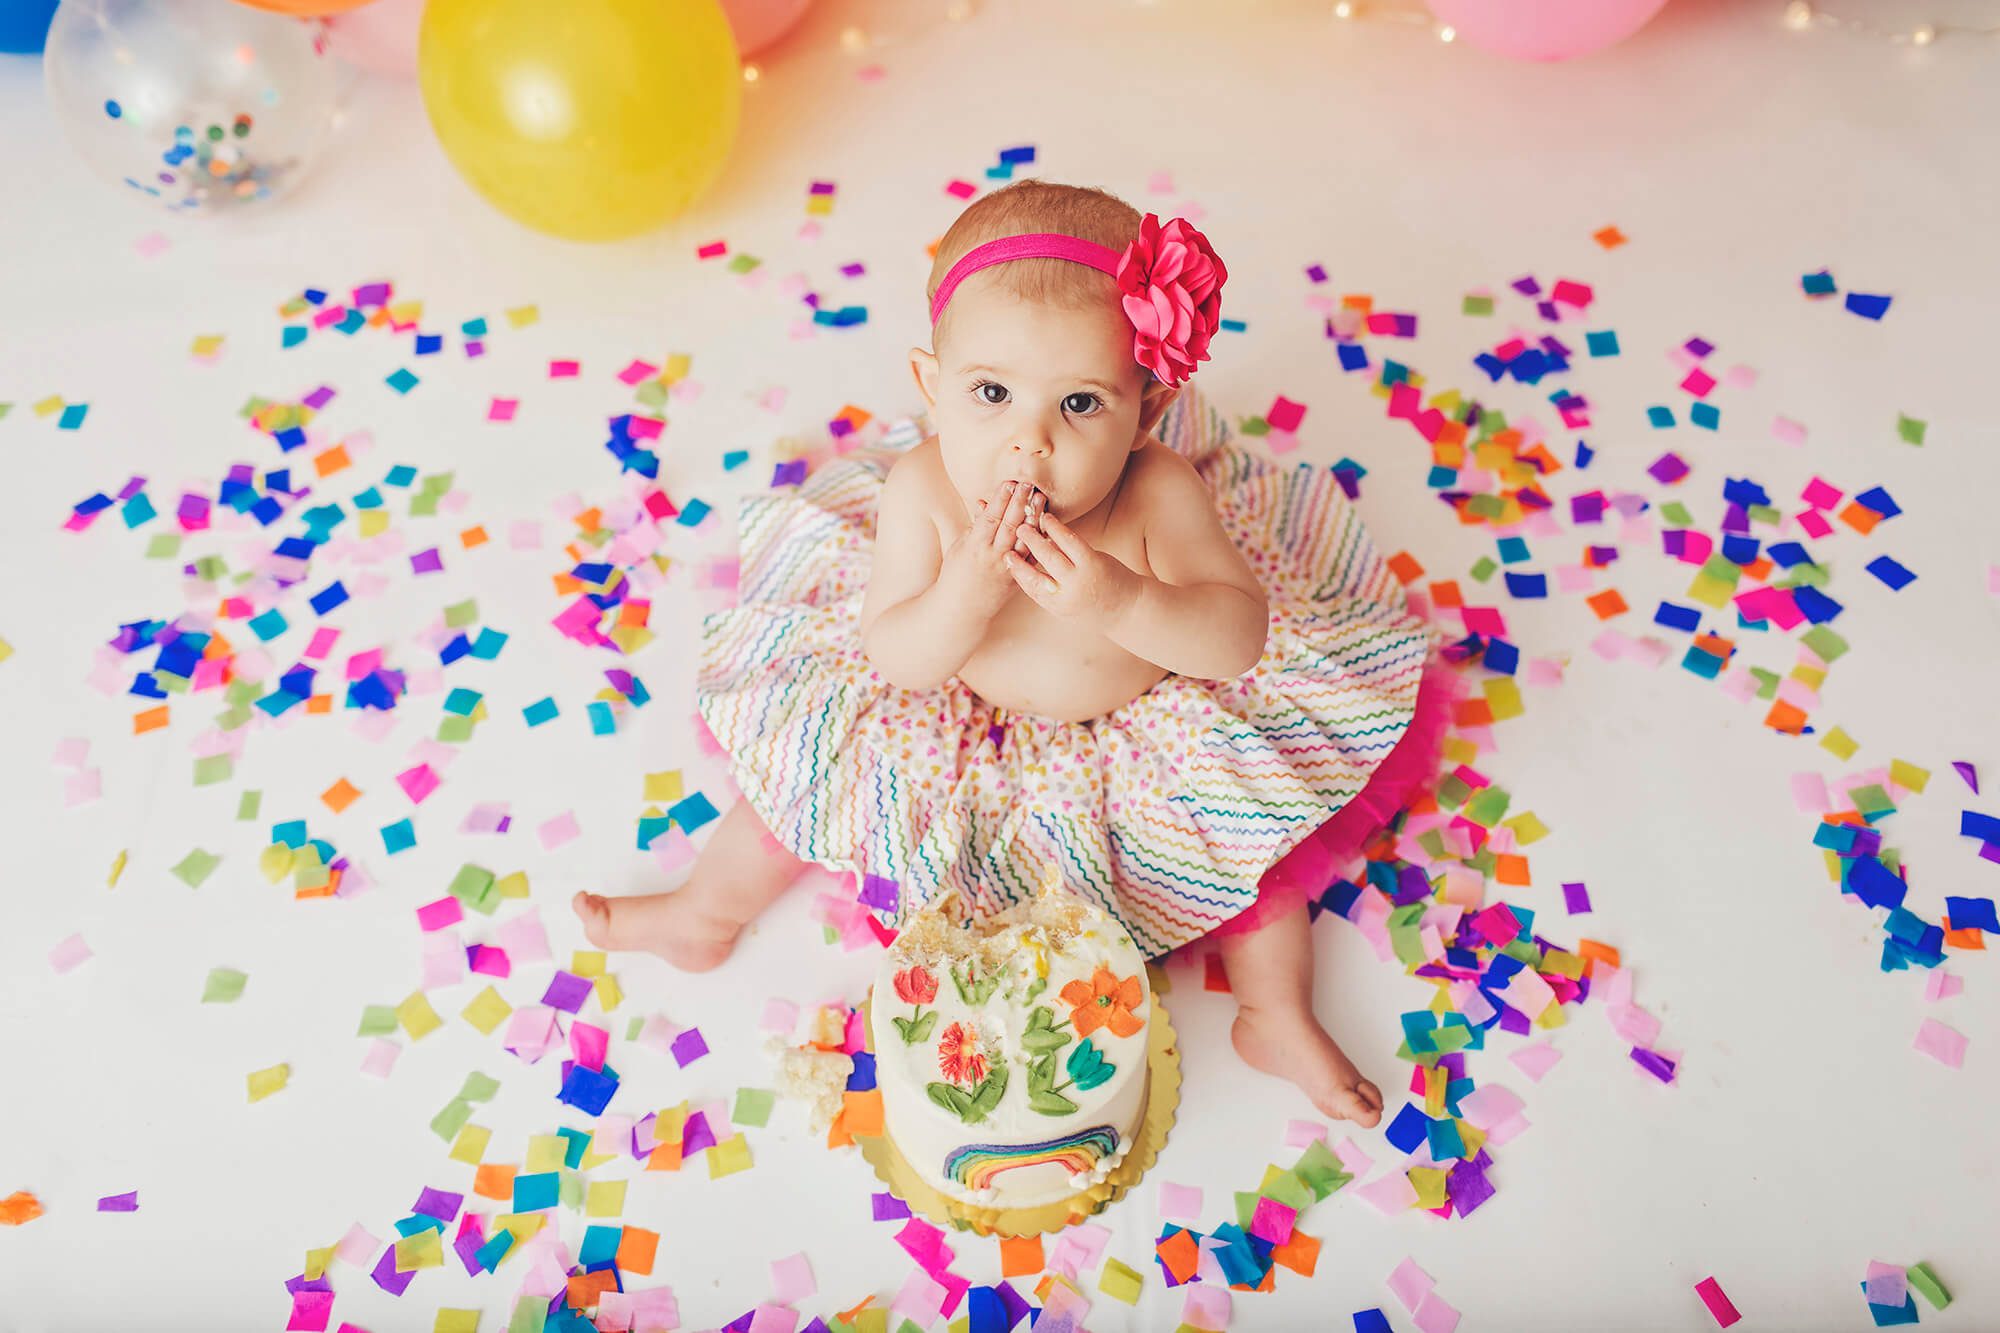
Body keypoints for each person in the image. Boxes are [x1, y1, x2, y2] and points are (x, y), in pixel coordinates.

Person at [576, 180, 1451, 1127]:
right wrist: (964, 593)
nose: (1027, 443)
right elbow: (897, 657)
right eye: (990, 394)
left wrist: (1119, 596)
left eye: (1081, 404)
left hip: (1142, 724)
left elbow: (1236, 638)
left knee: (1254, 848)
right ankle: (703, 914)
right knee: (802, 780)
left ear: (1148, 413)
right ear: (930, 386)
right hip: (951, 714)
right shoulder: (924, 491)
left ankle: (1272, 1014)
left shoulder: (1157, 496)